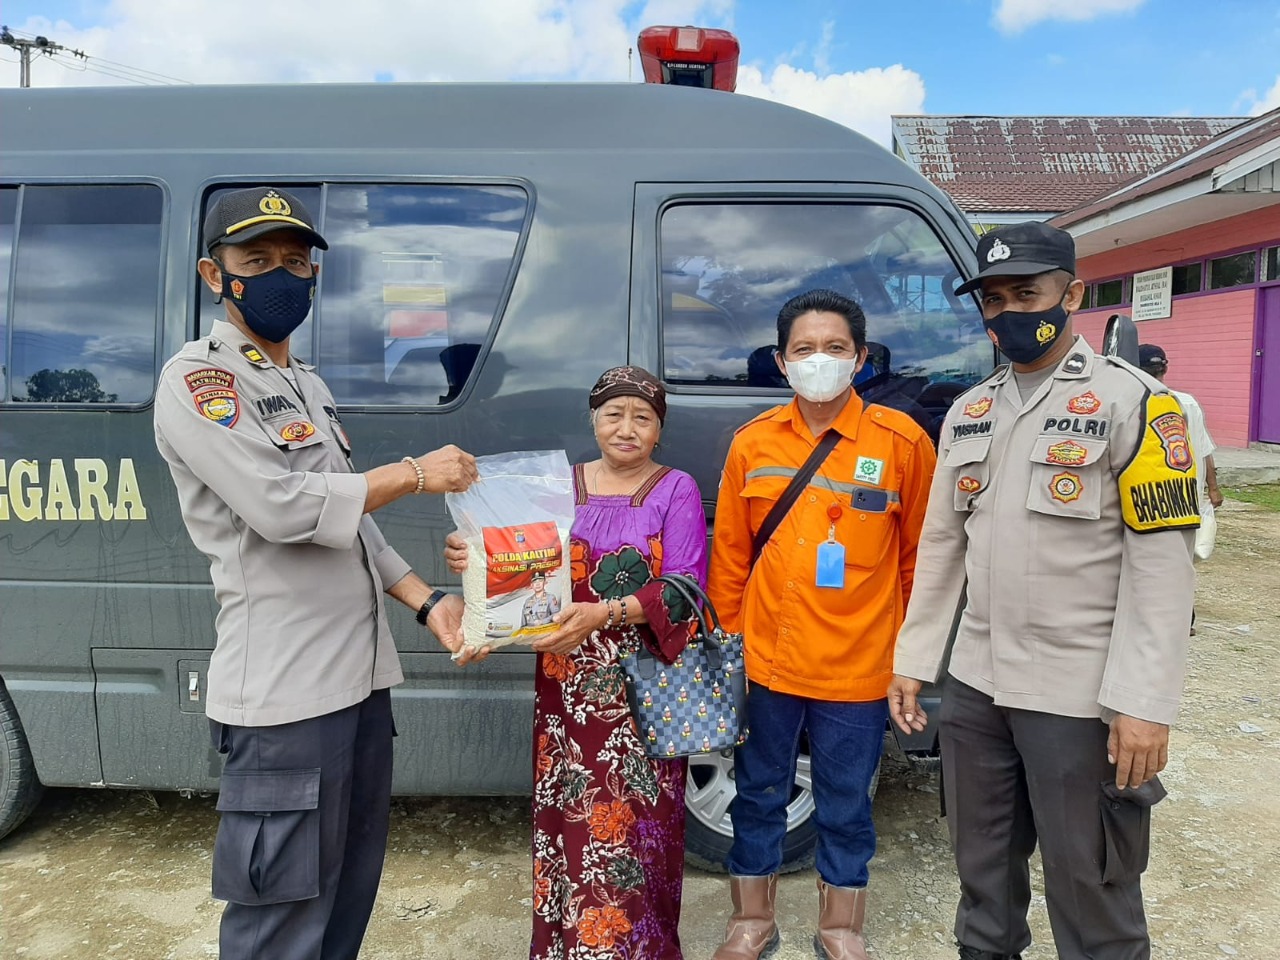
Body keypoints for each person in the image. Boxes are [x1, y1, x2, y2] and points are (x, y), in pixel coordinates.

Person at [153, 186, 480, 960]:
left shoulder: (307, 383)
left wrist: (427, 600)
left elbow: (349, 521)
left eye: (296, 262)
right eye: (258, 260)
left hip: (359, 689)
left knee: (344, 901)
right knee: (281, 920)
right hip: (286, 700)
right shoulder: (199, 381)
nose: (281, 275)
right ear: (214, 275)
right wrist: (413, 473)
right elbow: (282, 507)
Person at [889, 221, 1199, 960]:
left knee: (1091, 886)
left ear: (1073, 294)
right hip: (976, 686)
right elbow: (942, 546)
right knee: (983, 882)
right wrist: (915, 658)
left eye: (1026, 294)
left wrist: (1143, 704)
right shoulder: (969, 411)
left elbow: (1162, 570)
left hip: (1078, 694)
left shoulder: (1138, 404)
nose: (1008, 313)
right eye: (993, 300)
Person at [445, 365, 707, 960]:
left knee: (637, 825)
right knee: (570, 818)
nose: (626, 428)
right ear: (593, 420)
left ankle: (639, 948)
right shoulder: (557, 486)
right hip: (566, 689)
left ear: (659, 429)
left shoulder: (676, 489)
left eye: (643, 418)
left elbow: (685, 589)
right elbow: (512, 556)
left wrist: (605, 613)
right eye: (614, 414)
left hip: (644, 690)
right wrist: (471, 553)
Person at [706, 289, 937, 960]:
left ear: (861, 359)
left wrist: (910, 661)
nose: (819, 360)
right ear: (782, 361)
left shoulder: (902, 443)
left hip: (858, 667)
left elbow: (922, 561)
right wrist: (725, 651)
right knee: (758, 794)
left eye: (835, 348)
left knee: (845, 802)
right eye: (804, 349)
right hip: (767, 663)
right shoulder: (753, 443)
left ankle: (841, 928)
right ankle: (751, 921)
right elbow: (730, 557)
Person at [1140, 342, 1223, 629]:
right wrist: (1213, 488)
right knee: (1181, 559)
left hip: (1151, 496)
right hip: (1187, 498)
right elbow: (1204, 449)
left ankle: (1164, 619)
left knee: (1150, 560)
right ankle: (1185, 617)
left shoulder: (1138, 401)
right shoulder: (1188, 402)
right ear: (1165, 368)